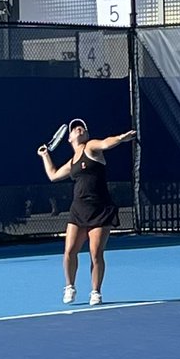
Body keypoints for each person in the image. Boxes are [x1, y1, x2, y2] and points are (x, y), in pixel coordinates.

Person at [38, 118, 137, 305]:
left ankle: (95, 292)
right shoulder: (72, 161)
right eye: (75, 128)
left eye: (82, 128)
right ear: (69, 138)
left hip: (100, 209)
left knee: (96, 253)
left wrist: (121, 138)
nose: (79, 129)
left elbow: (106, 142)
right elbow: (53, 175)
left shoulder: (91, 147)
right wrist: (45, 155)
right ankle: (70, 287)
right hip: (78, 210)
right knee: (69, 251)